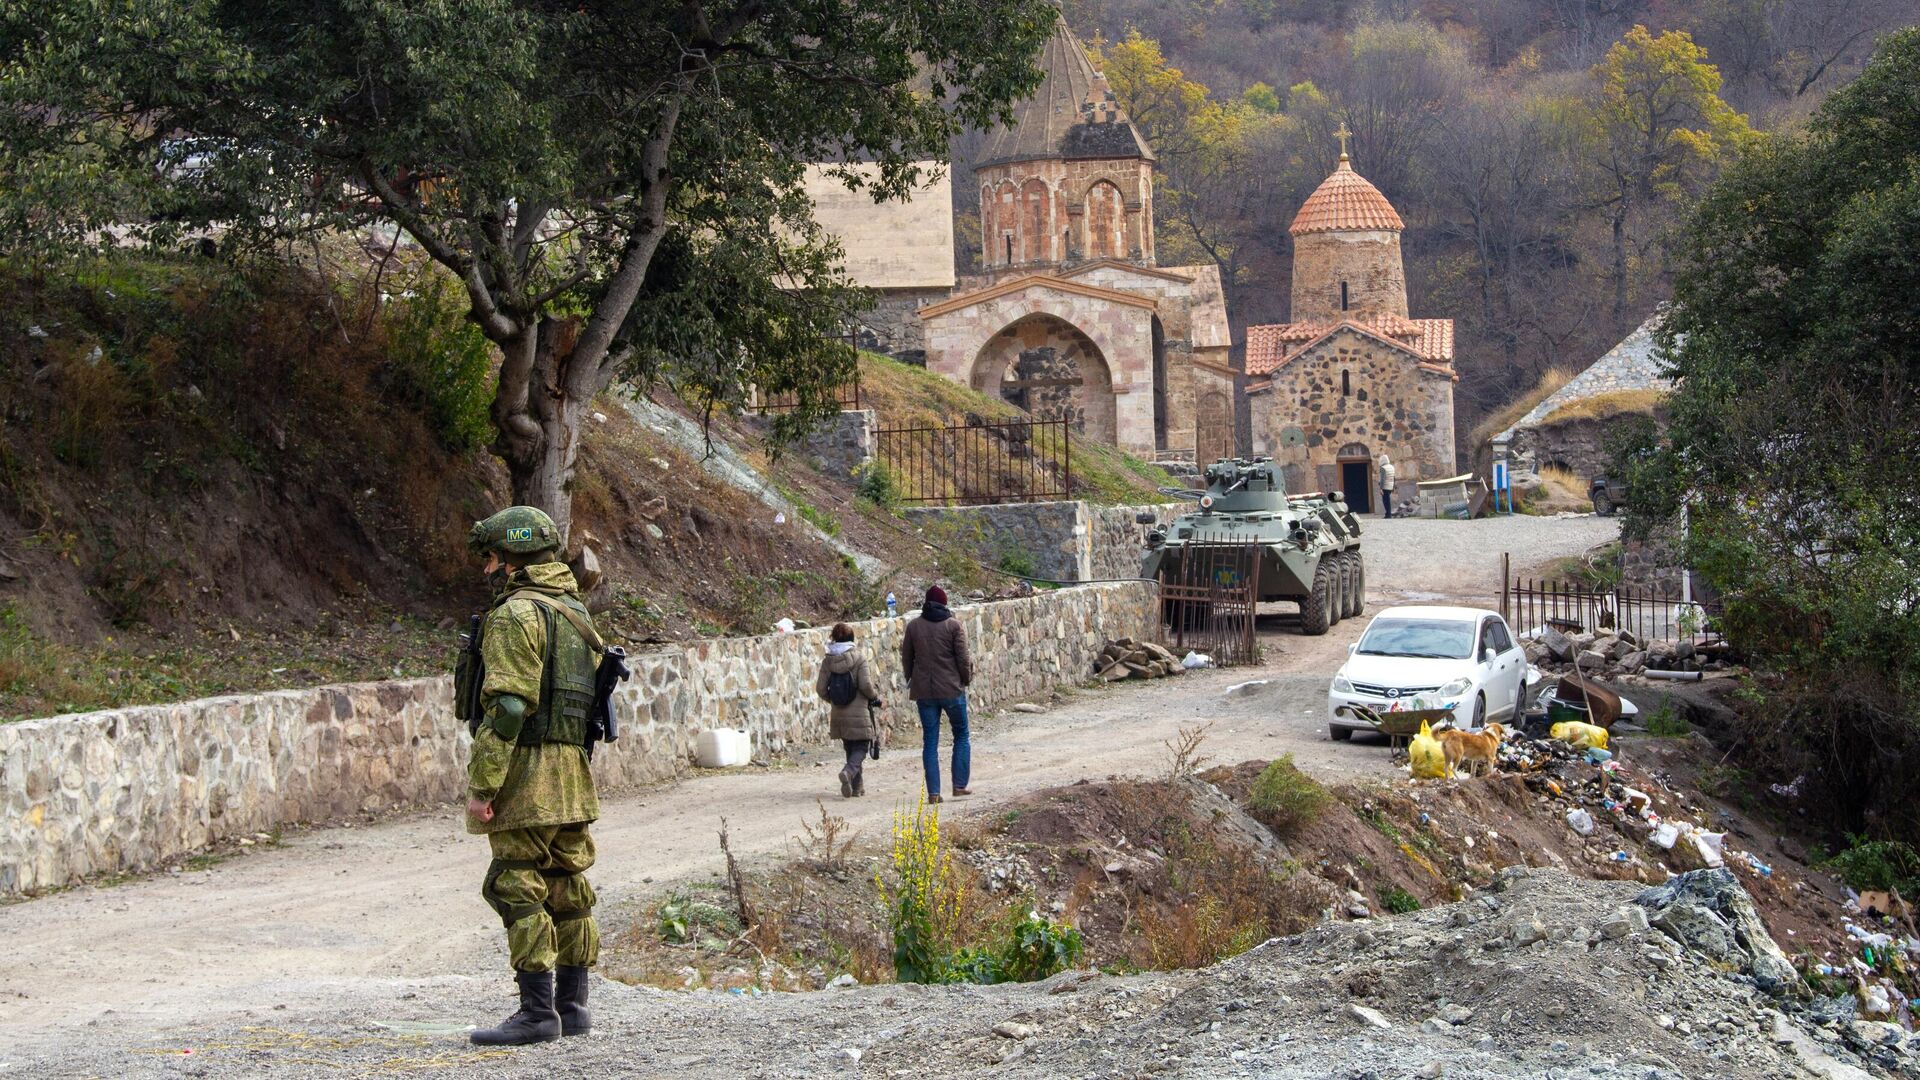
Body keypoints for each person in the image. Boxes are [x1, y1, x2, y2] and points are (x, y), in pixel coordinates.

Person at [464, 506, 603, 1046]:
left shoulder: (516, 615)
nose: (487, 569)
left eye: (493, 557)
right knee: (568, 885)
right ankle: (572, 1007)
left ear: (511, 560)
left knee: (516, 883)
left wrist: (483, 788)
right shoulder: (574, 611)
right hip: (572, 771)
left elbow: (508, 710)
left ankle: (536, 1013)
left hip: (527, 771)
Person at [901, 585, 972, 803]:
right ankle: (959, 785)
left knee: (930, 741)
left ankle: (933, 793)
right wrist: (965, 679)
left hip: (924, 692)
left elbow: (907, 658)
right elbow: (962, 658)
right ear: (945, 603)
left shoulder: (913, 627)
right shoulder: (954, 626)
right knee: (961, 735)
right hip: (951, 689)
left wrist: (911, 679)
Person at [815, 623, 883, 798]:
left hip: (839, 711)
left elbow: (821, 689)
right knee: (861, 746)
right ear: (852, 639)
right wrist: (874, 696)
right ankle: (848, 772)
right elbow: (866, 685)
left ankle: (856, 787)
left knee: (849, 747)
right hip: (859, 710)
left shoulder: (827, 661)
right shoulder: (859, 658)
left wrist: (834, 700)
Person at [1378, 454, 1397, 519]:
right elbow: (1394, 478)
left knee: (1386, 501)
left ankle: (1388, 514)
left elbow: (1382, 479)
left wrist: (1381, 488)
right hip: (1390, 486)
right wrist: (1394, 486)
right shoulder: (1392, 467)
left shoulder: (1383, 468)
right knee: (1388, 500)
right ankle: (1388, 513)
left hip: (1385, 486)